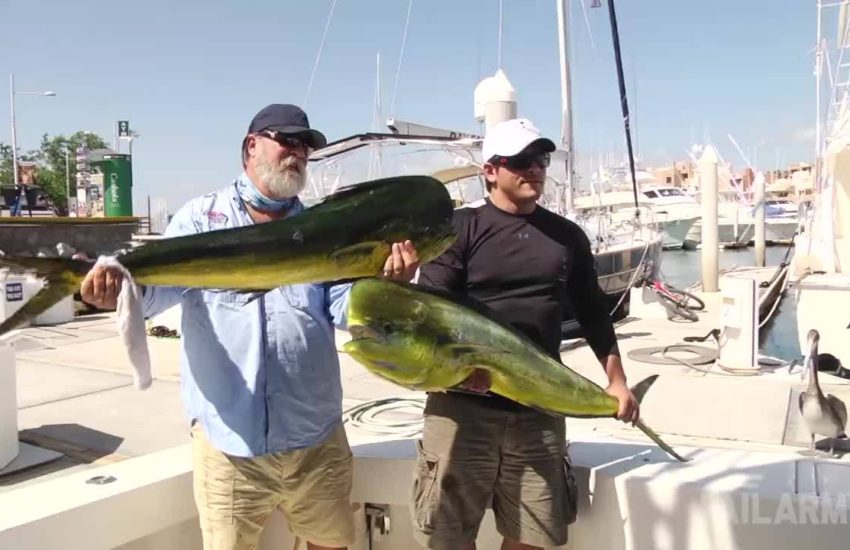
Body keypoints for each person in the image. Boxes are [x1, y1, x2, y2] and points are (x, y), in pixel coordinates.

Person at [80, 104, 420, 550]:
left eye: (305, 146)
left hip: (315, 438)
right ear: (251, 146)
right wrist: (115, 293)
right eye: (288, 140)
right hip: (229, 446)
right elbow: (154, 293)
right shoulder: (201, 219)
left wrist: (383, 284)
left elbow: (342, 306)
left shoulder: (323, 227)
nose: (298, 152)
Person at [412, 118, 639, 550]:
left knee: (533, 537)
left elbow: (593, 310)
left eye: (540, 159)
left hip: (538, 405)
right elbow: (433, 313)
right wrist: (458, 374)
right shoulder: (457, 230)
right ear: (491, 170)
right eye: (520, 161)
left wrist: (617, 381)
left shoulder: (567, 236)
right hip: (463, 408)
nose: (534, 169)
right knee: (448, 537)